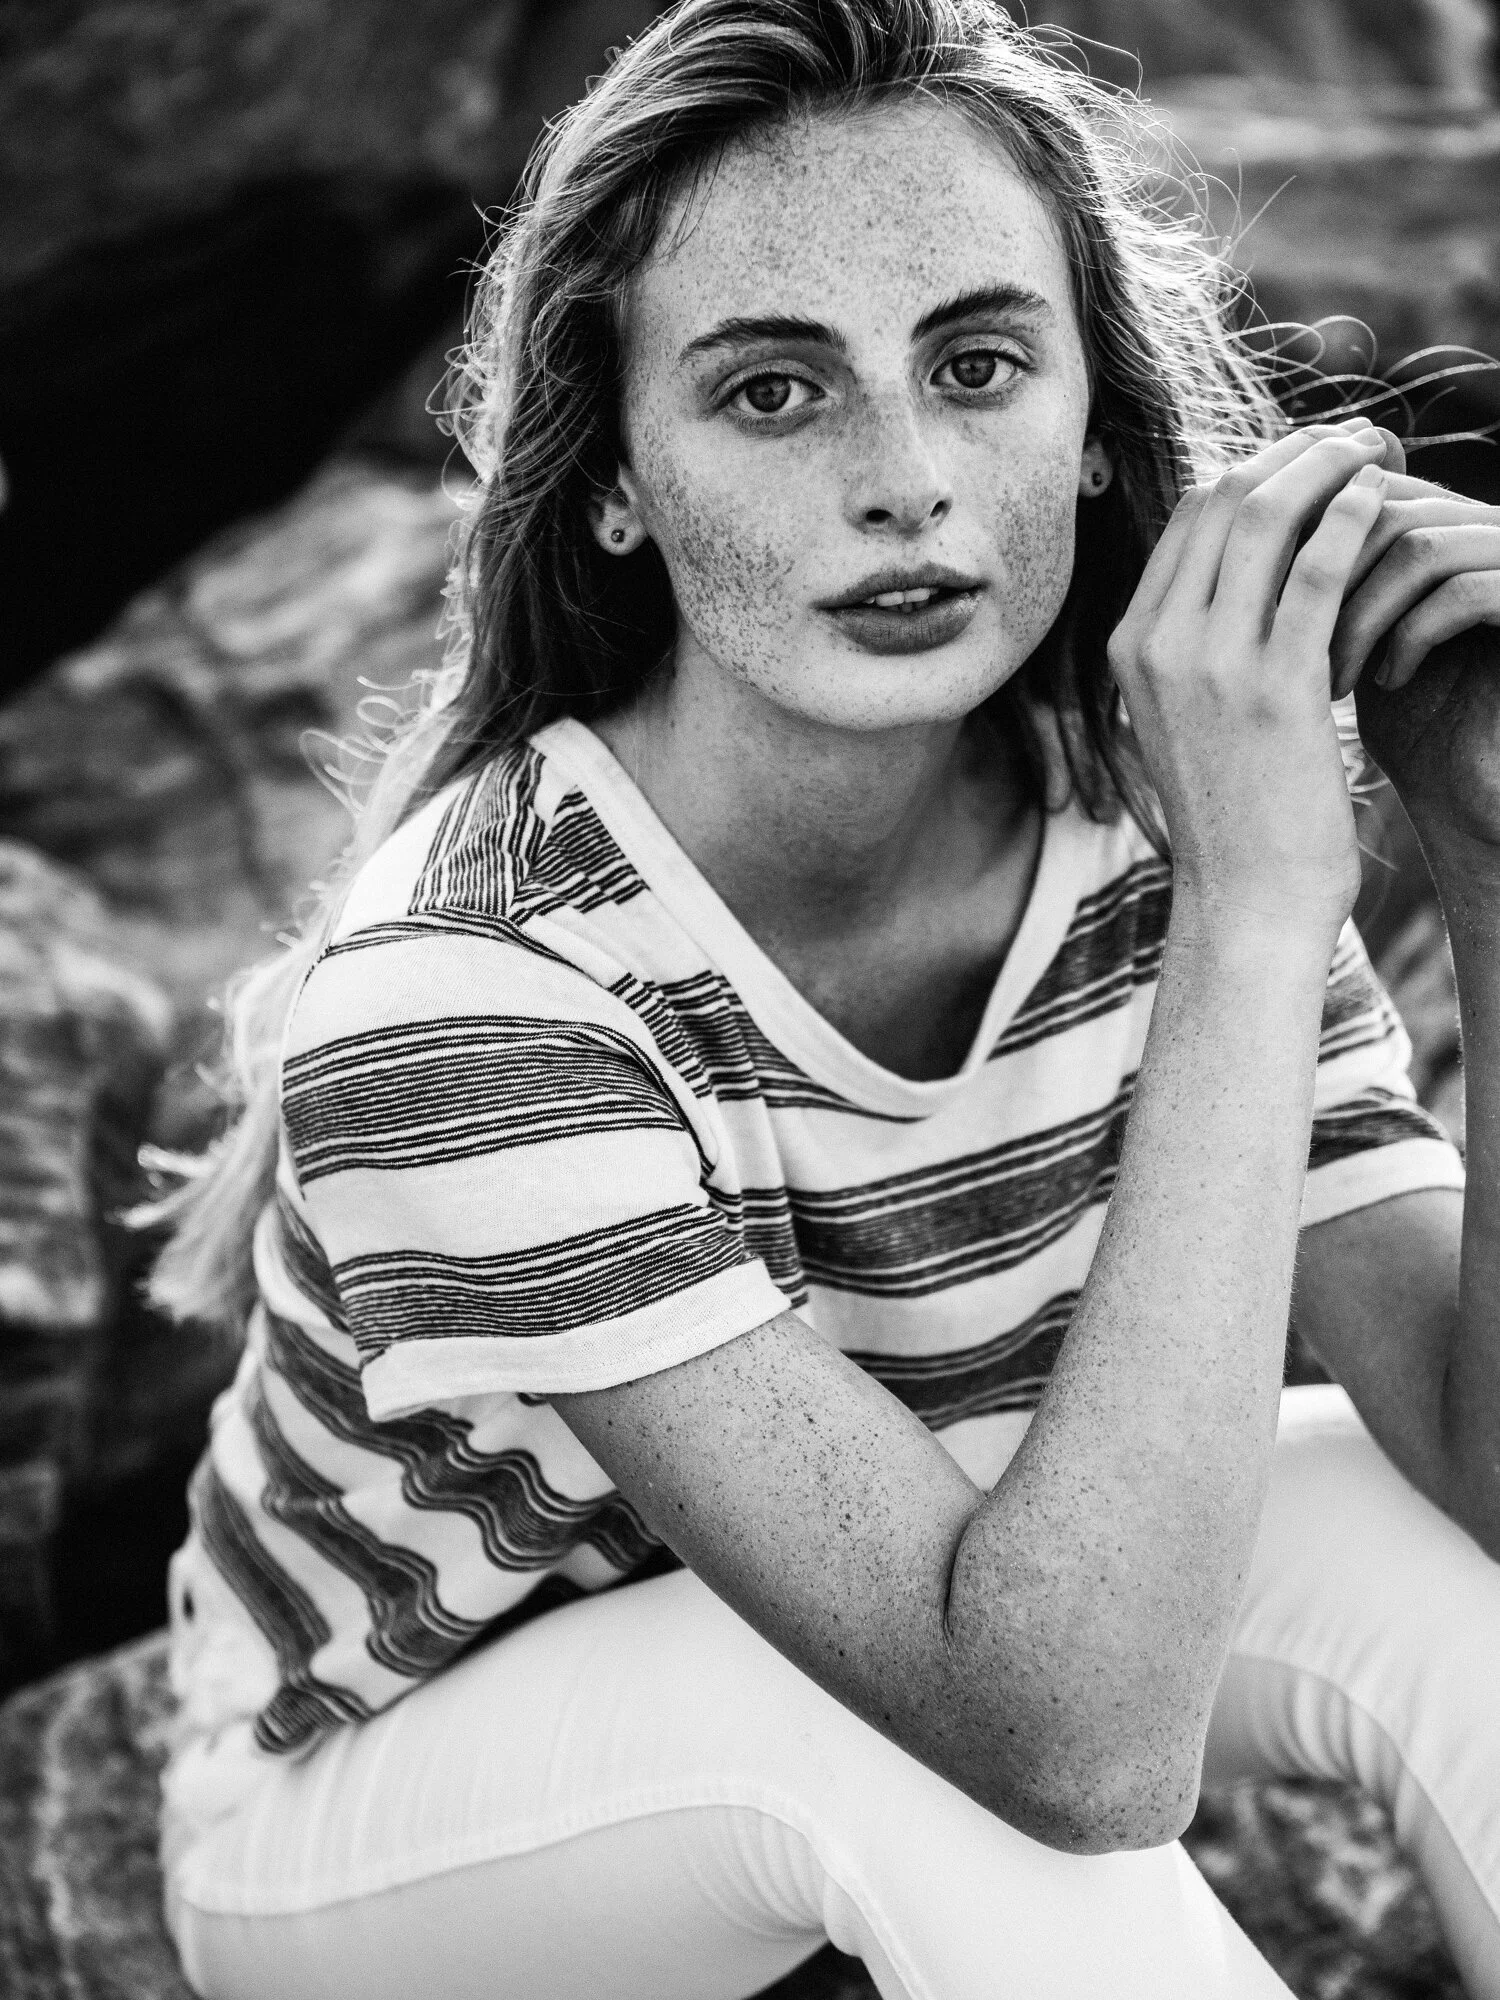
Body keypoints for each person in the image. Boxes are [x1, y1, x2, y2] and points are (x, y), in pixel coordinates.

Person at [148, 3, 1500, 1995]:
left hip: (952, 1567)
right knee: (926, 1761)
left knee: (1447, 1583)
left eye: (975, 365)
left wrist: (1483, 845)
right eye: (775, 393)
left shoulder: (1157, 817)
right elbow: (1079, 1741)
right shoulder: (463, 989)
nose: (909, 483)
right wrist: (1249, 908)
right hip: (389, 1793)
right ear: (613, 477)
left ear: (1096, 421)